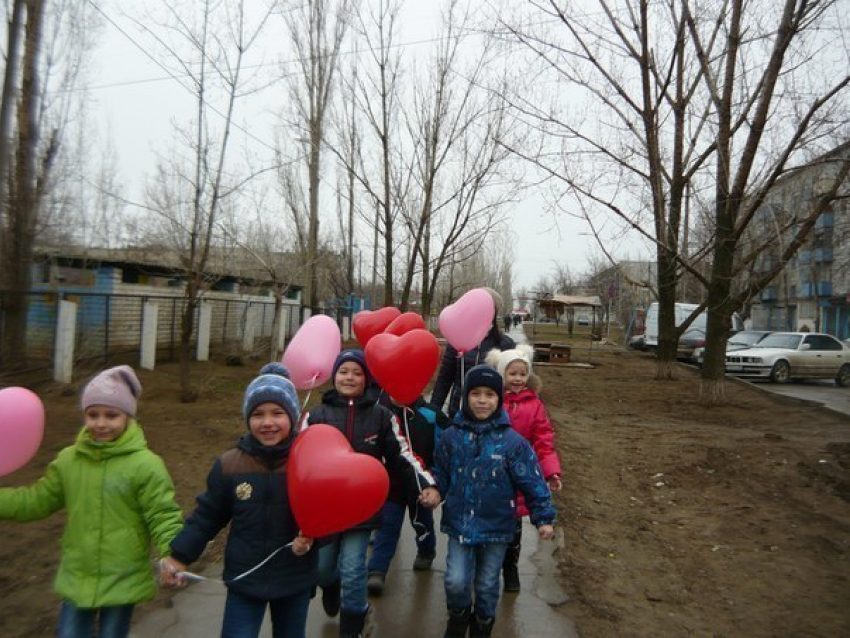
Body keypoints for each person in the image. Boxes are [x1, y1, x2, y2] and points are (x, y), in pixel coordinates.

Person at [0, 365, 183, 638]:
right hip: (78, 573)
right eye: (92, 414)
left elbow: (163, 514)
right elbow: (36, 500)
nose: (100, 423)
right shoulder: (69, 461)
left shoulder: (146, 465)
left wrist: (173, 555)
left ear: (128, 417)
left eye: (111, 415)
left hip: (123, 574)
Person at [160, 363, 316, 638]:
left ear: (292, 417)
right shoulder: (229, 465)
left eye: (277, 413)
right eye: (258, 414)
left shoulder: (308, 463)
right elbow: (206, 516)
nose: (267, 422)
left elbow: (327, 515)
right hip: (245, 579)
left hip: (294, 579)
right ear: (247, 418)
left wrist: (315, 538)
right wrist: (179, 556)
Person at [301, 349, 435, 638]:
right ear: (334, 375)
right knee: (323, 570)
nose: (350, 377)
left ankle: (355, 624)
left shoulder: (381, 416)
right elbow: (298, 461)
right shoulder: (316, 416)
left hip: (363, 510)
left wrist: (427, 485)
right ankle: (330, 585)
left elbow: (402, 455)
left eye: (357, 372)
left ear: (367, 379)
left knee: (352, 569)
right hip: (325, 510)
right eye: (343, 371)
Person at [420, 364, 556, 637]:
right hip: (460, 525)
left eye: (490, 395)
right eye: (476, 394)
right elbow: (441, 471)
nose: (482, 400)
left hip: (497, 528)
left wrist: (543, 517)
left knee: (486, 583)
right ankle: (458, 618)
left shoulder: (513, 443)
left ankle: (483, 623)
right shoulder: (451, 437)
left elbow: (532, 481)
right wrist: (434, 489)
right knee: (456, 581)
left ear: (499, 399)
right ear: (466, 397)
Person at [486, 344, 563, 592]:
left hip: (519, 474)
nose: (518, 379)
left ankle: (510, 567)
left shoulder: (535, 406)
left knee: (514, 526)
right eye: (512, 373)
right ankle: (486, 566)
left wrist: (551, 471)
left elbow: (544, 439)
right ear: (501, 374)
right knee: (490, 520)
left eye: (522, 374)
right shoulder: (491, 400)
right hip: (490, 472)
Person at [366, 393, 449, 595]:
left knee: (422, 522)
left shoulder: (431, 414)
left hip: (421, 484)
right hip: (391, 485)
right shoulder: (379, 413)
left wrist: (436, 483)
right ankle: (377, 570)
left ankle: (426, 550)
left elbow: (446, 446)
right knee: (387, 527)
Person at [431, 287, 515, 418]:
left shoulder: (505, 344)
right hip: (458, 413)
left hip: (491, 416)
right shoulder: (457, 339)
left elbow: (513, 383)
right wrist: (433, 411)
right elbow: (445, 379)